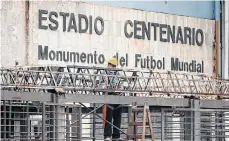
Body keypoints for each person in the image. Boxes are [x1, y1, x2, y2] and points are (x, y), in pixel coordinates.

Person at [102, 57, 123, 141]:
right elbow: (103, 85)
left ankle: (116, 136)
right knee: (108, 118)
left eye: (110, 65)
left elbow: (121, 85)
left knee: (117, 118)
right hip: (109, 97)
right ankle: (107, 135)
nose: (109, 66)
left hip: (118, 97)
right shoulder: (105, 74)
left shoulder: (118, 74)